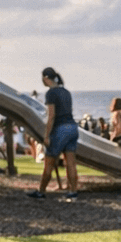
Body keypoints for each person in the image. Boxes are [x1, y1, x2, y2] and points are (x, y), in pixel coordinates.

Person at [27, 67, 78, 199]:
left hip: (60, 129)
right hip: (72, 127)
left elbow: (51, 116)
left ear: (45, 78)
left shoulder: (51, 93)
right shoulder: (66, 92)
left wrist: (46, 136)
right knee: (71, 163)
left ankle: (41, 191)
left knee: (49, 163)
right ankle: (73, 192)